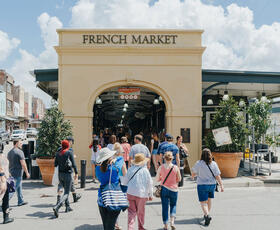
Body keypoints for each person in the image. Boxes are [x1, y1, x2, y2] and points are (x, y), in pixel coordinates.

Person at [191, 148, 224, 226]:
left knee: (203, 202)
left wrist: (193, 176)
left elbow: (193, 173)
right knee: (209, 200)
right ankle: (206, 214)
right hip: (212, 185)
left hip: (202, 185)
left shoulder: (198, 163)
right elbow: (217, 176)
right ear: (210, 155)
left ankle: (207, 215)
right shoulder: (214, 164)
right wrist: (221, 185)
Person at [95, 148, 124, 230]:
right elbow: (121, 158)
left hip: (102, 199)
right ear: (109, 157)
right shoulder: (115, 167)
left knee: (106, 225)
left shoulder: (97, 169)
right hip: (114, 199)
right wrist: (114, 159)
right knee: (111, 226)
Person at [122, 153, 153, 230]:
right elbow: (150, 183)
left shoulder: (130, 169)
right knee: (141, 212)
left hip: (130, 193)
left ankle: (130, 227)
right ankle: (141, 227)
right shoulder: (145, 171)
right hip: (141, 194)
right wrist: (150, 194)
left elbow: (125, 182)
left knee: (131, 212)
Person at [53, 140, 78, 218]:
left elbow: (55, 164)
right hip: (68, 174)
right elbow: (73, 164)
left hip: (60, 174)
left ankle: (68, 207)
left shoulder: (58, 153)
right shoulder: (69, 152)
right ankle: (57, 207)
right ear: (67, 145)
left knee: (64, 191)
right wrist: (76, 173)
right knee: (66, 193)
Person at [156, 152, 181, 230]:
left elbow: (157, 179)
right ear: (172, 158)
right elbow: (179, 179)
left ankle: (166, 225)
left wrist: (161, 178)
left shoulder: (161, 167)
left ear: (164, 158)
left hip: (164, 189)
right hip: (174, 189)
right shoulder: (176, 167)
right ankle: (172, 222)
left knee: (165, 207)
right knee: (173, 205)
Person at [57, 137, 81, 204]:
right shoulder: (70, 150)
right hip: (68, 171)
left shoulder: (59, 149)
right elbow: (73, 163)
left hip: (60, 172)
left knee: (60, 185)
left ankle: (58, 199)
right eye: (71, 142)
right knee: (71, 185)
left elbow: (56, 161)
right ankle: (73, 198)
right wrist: (76, 172)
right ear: (69, 142)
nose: (71, 144)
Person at [7, 139, 30, 206]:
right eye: (20, 143)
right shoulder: (20, 152)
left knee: (18, 187)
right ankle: (4, 204)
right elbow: (23, 164)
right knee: (11, 191)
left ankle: (20, 201)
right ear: (16, 143)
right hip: (17, 173)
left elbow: (8, 163)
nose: (21, 144)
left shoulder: (9, 152)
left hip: (10, 173)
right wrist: (27, 172)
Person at [0, 150, 14, 224]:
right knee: (4, 198)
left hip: (7, 178)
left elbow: (5, 168)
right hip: (3, 180)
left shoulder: (3, 155)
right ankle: (6, 217)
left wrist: (9, 175)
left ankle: (6, 217)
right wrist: (2, 176)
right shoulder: (2, 156)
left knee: (6, 199)